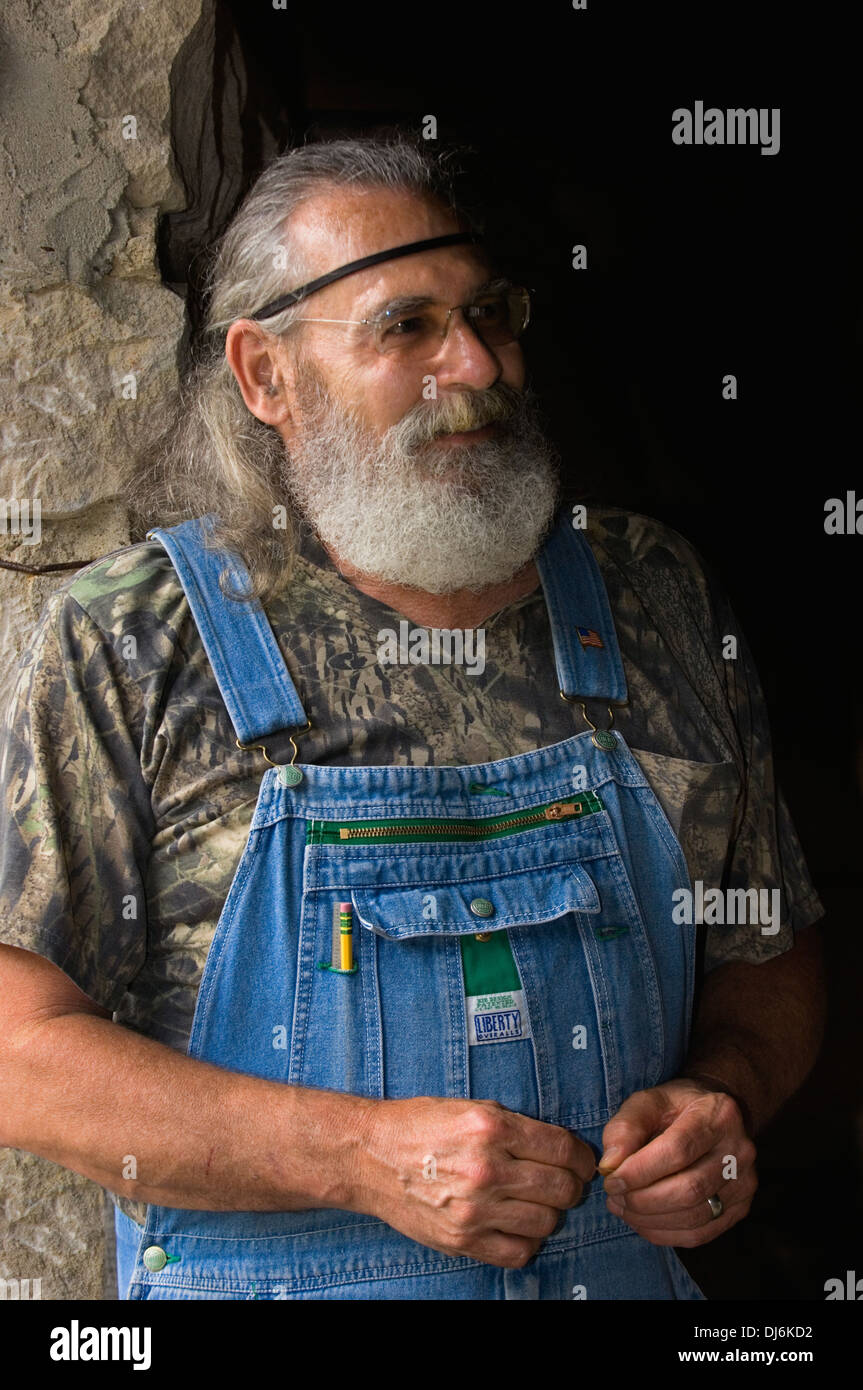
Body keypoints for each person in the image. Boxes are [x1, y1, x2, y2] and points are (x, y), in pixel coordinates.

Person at [0, 136, 825, 1301]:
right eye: (406, 328)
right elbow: (16, 1054)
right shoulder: (140, 638)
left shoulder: (653, 594)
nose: (478, 364)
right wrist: (357, 1157)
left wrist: (724, 1092)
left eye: (490, 313)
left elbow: (767, 947)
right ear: (264, 376)